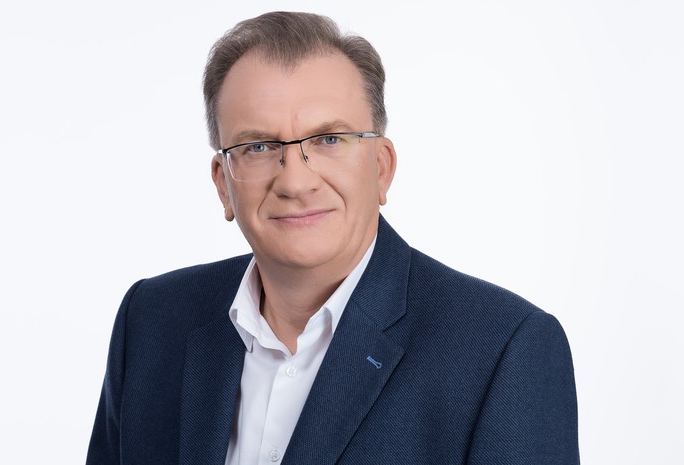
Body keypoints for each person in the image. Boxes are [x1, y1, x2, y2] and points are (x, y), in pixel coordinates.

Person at [86, 11, 579, 465]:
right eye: (258, 146)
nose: (295, 182)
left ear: (381, 167)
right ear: (222, 184)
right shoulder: (151, 322)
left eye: (328, 140)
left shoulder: (503, 351)